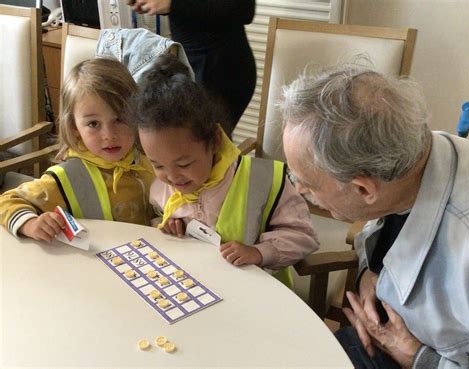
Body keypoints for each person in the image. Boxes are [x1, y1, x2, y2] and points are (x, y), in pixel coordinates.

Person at [281, 66, 469, 368]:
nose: (298, 188)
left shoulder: (468, 245)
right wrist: (369, 272)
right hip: (381, 340)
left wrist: (417, 358)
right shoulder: (409, 156)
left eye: (307, 184)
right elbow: (379, 225)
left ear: (363, 188)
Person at [130, 55, 318, 283]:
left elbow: (304, 237)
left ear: (216, 140)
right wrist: (171, 225)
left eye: (184, 164)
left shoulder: (264, 181)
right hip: (199, 288)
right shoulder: (161, 187)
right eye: (157, 165)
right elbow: (159, 221)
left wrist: (259, 253)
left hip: (258, 296)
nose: (171, 176)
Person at [0, 58, 155, 241]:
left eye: (120, 119)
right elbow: (7, 200)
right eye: (93, 124)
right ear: (74, 127)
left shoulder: (147, 159)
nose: (109, 135)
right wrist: (31, 223)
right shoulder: (67, 177)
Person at [127, 0, 257, 137]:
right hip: (186, 59)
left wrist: (173, 4)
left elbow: (245, 9)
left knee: (205, 146)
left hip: (221, 69)